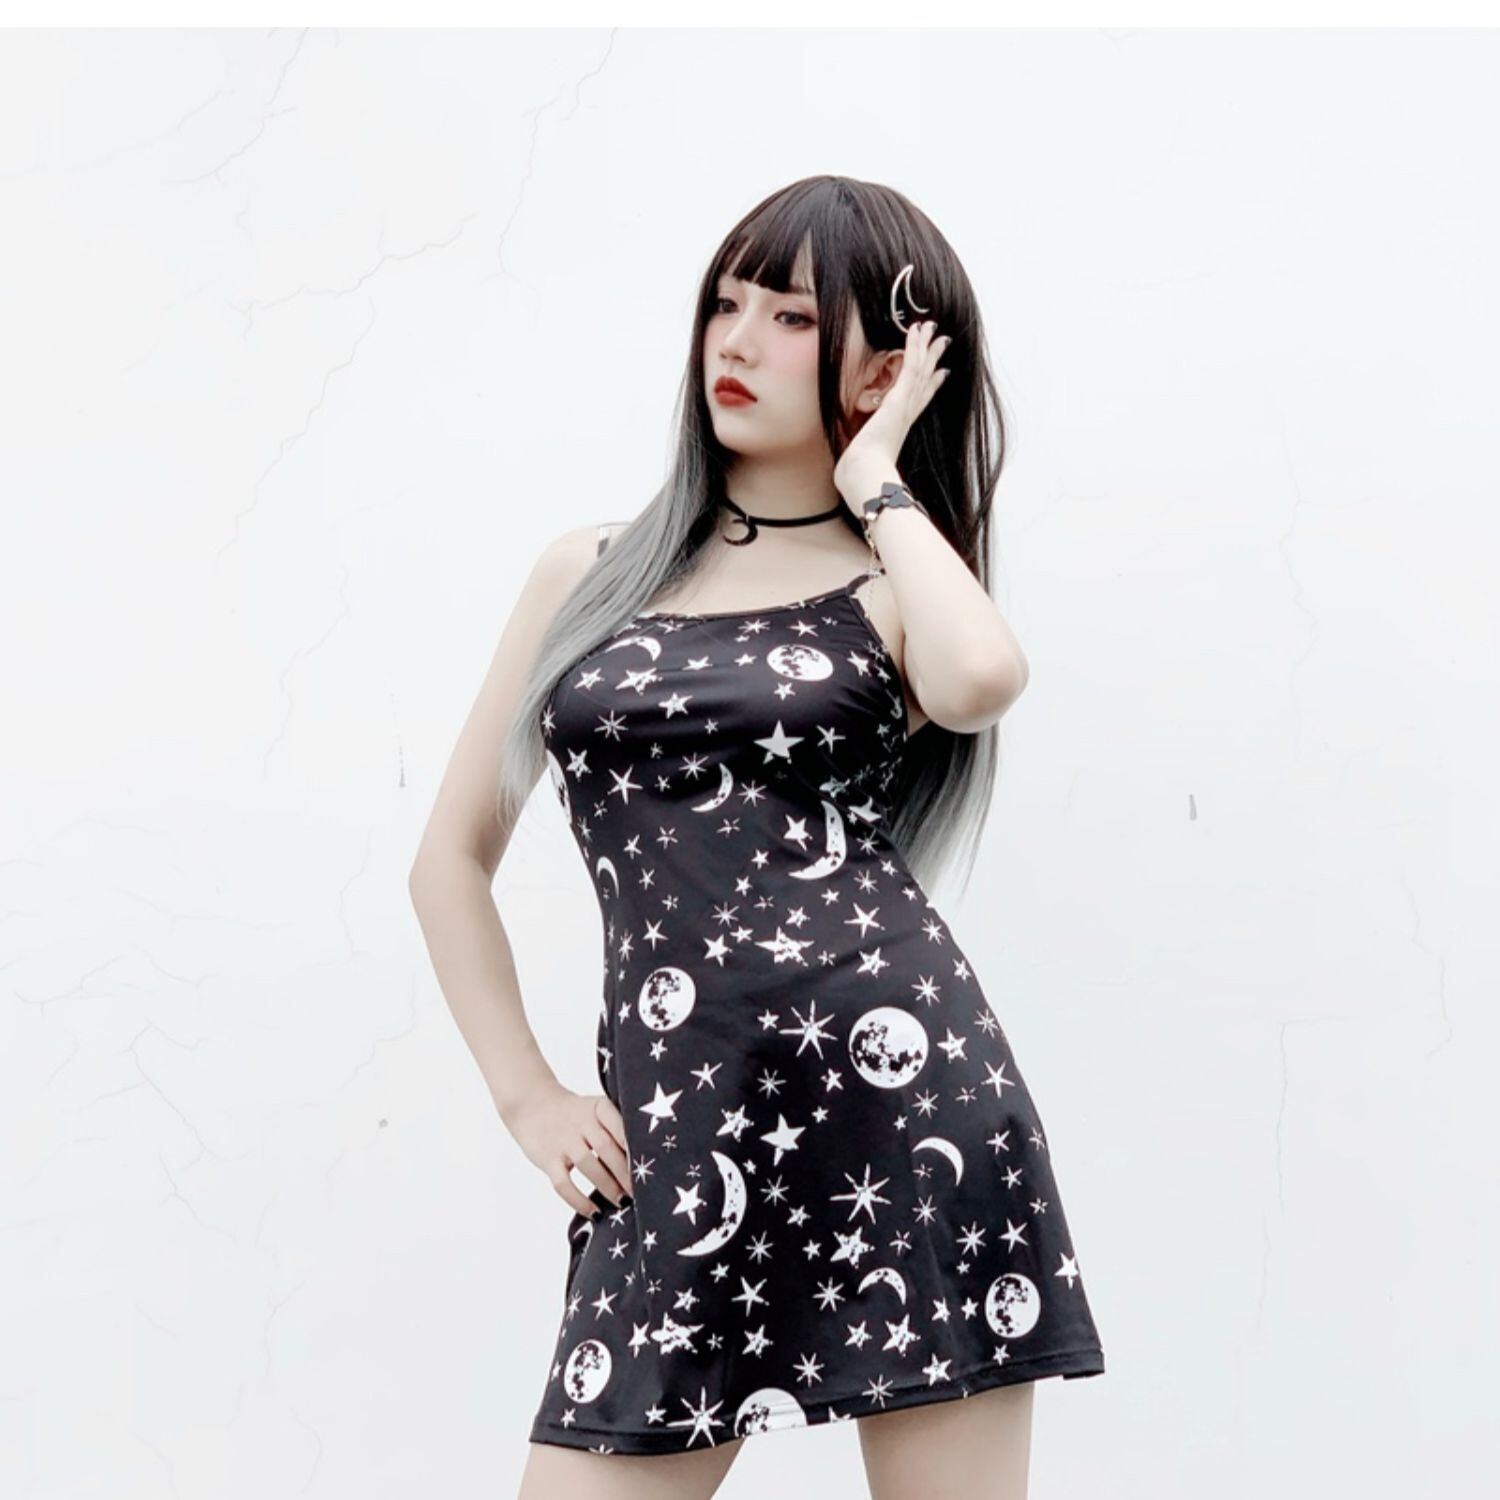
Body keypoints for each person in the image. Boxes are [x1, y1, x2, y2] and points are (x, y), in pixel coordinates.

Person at [409, 175, 1105, 1500]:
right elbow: (447, 864)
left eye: (790, 317)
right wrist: (529, 1096)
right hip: (679, 1131)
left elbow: (980, 679)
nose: (734, 341)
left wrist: (876, 479)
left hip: (905, 1106)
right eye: (725, 303)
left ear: (883, 368)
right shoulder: (591, 572)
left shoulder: (891, 586)